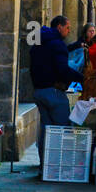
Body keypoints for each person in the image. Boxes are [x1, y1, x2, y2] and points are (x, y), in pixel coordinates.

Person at [29, 15, 84, 172]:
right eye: (67, 27)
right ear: (59, 27)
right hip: (53, 91)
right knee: (63, 129)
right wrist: (82, 80)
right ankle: (62, 167)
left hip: (39, 90)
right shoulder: (57, 44)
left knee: (46, 130)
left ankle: (45, 165)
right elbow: (62, 70)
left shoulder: (39, 41)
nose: (69, 30)